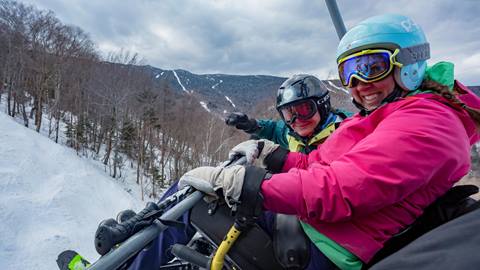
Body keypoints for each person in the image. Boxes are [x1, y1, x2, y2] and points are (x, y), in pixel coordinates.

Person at [180, 14, 480, 270]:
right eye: (350, 72)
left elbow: (339, 189)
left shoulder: (427, 122)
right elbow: (315, 162)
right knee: (181, 209)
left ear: (409, 64)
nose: (360, 84)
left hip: (324, 241)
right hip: (312, 219)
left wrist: (246, 185)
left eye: (374, 67)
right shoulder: (383, 114)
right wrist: (270, 151)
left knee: (187, 215)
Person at [225, 74, 349, 153]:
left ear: (323, 105)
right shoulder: (291, 134)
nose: (297, 120)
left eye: (304, 110)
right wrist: (252, 126)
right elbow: (273, 129)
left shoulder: (348, 130)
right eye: (289, 114)